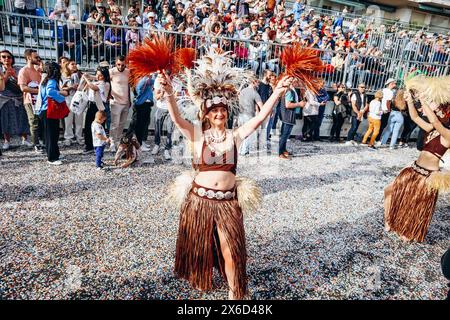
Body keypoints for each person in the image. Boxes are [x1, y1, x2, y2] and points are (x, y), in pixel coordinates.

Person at [156, 49, 293, 300]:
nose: (220, 114)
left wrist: (277, 92)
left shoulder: (235, 136)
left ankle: (235, 293)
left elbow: (260, 118)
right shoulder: (197, 136)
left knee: (232, 249)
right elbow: (176, 119)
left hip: (228, 203)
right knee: (200, 249)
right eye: (215, 111)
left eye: (223, 110)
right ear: (207, 114)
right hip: (200, 202)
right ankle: (201, 276)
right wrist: (168, 95)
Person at [384, 75, 450, 242]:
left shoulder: (446, 134)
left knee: (415, 206)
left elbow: (434, 120)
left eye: (436, 107)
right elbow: (415, 118)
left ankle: (409, 231)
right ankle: (389, 221)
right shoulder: (431, 129)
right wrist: (411, 101)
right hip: (414, 169)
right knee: (389, 190)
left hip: (428, 176)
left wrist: (422, 98)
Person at [36, 62, 69, 165]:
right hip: (49, 111)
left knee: (52, 134)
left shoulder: (45, 81)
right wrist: (61, 98)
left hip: (45, 111)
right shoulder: (52, 81)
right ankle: (52, 158)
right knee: (51, 135)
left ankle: (55, 153)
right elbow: (50, 92)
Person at [0, 50, 30, 150]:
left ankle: (24, 139)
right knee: (6, 120)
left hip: (18, 97)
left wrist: (14, 75)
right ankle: (7, 141)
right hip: (5, 99)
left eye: (9, 57)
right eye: (3, 57)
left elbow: (23, 83)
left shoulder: (18, 69)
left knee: (22, 118)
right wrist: (6, 76)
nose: (6, 59)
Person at [18, 48, 42, 152]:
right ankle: (35, 143)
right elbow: (23, 88)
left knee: (41, 121)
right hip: (29, 101)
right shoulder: (24, 71)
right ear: (28, 58)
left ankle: (41, 141)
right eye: (36, 57)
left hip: (40, 100)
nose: (38, 59)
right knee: (34, 122)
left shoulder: (38, 70)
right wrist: (39, 92)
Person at [82, 66, 111, 154]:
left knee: (97, 127)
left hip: (98, 106)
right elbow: (94, 78)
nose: (98, 77)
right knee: (88, 126)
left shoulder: (105, 84)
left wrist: (86, 79)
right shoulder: (98, 81)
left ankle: (97, 145)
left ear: (105, 76)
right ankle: (89, 145)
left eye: (101, 75)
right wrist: (88, 76)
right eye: (97, 75)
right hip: (91, 105)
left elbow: (93, 87)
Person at [152, 72, 176, 160]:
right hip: (161, 107)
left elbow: (176, 97)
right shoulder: (158, 81)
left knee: (170, 129)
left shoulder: (176, 81)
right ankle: (157, 145)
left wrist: (169, 91)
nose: (163, 78)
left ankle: (167, 149)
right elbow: (156, 97)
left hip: (171, 108)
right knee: (157, 127)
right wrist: (162, 92)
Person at [109, 56, 130, 152]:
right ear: (115, 63)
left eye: (122, 65)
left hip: (126, 102)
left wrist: (129, 100)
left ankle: (118, 141)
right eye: (118, 64)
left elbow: (129, 87)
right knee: (115, 123)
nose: (120, 66)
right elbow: (106, 84)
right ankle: (112, 141)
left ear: (125, 64)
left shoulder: (128, 72)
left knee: (122, 124)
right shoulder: (112, 71)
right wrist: (109, 95)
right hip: (115, 102)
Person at [127, 75, 154, 149]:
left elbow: (153, 81)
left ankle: (141, 142)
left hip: (146, 104)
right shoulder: (139, 80)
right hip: (141, 105)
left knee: (144, 124)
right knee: (139, 126)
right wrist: (146, 77)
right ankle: (139, 144)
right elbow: (139, 88)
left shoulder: (145, 80)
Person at [279, 79, 305, 159]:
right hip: (288, 116)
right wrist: (299, 104)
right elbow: (288, 105)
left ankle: (283, 150)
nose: (298, 83)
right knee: (284, 135)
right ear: (292, 82)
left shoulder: (291, 90)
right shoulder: (290, 91)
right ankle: (280, 152)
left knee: (286, 135)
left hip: (289, 115)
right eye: (296, 81)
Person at [238, 79, 263, 156]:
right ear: (253, 82)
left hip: (240, 115)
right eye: (257, 82)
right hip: (248, 116)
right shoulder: (255, 93)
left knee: (242, 133)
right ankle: (244, 151)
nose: (258, 84)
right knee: (248, 134)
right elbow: (261, 106)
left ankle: (240, 150)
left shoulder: (242, 91)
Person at [60, 60, 83, 146]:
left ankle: (79, 137)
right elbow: (61, 88)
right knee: (68, 120)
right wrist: (70, 87)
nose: (74, 65)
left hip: (78, 98)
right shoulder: (63, 76)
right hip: (68, 98)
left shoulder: (80, 75)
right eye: (72, 64)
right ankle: (68, 137)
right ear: (67, 66)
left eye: (75, 64)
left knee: (79, 119)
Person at [376, 78, 396, 143]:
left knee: (380, 125)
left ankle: (376, 138)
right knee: (382, 125)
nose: (395, 84)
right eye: (394, 83)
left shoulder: (383, 90)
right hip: (385, 110)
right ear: (391, 84)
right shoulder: (390, 92)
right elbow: (388, 102)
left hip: (381, 109)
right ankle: (377, 139)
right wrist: (387, 109)